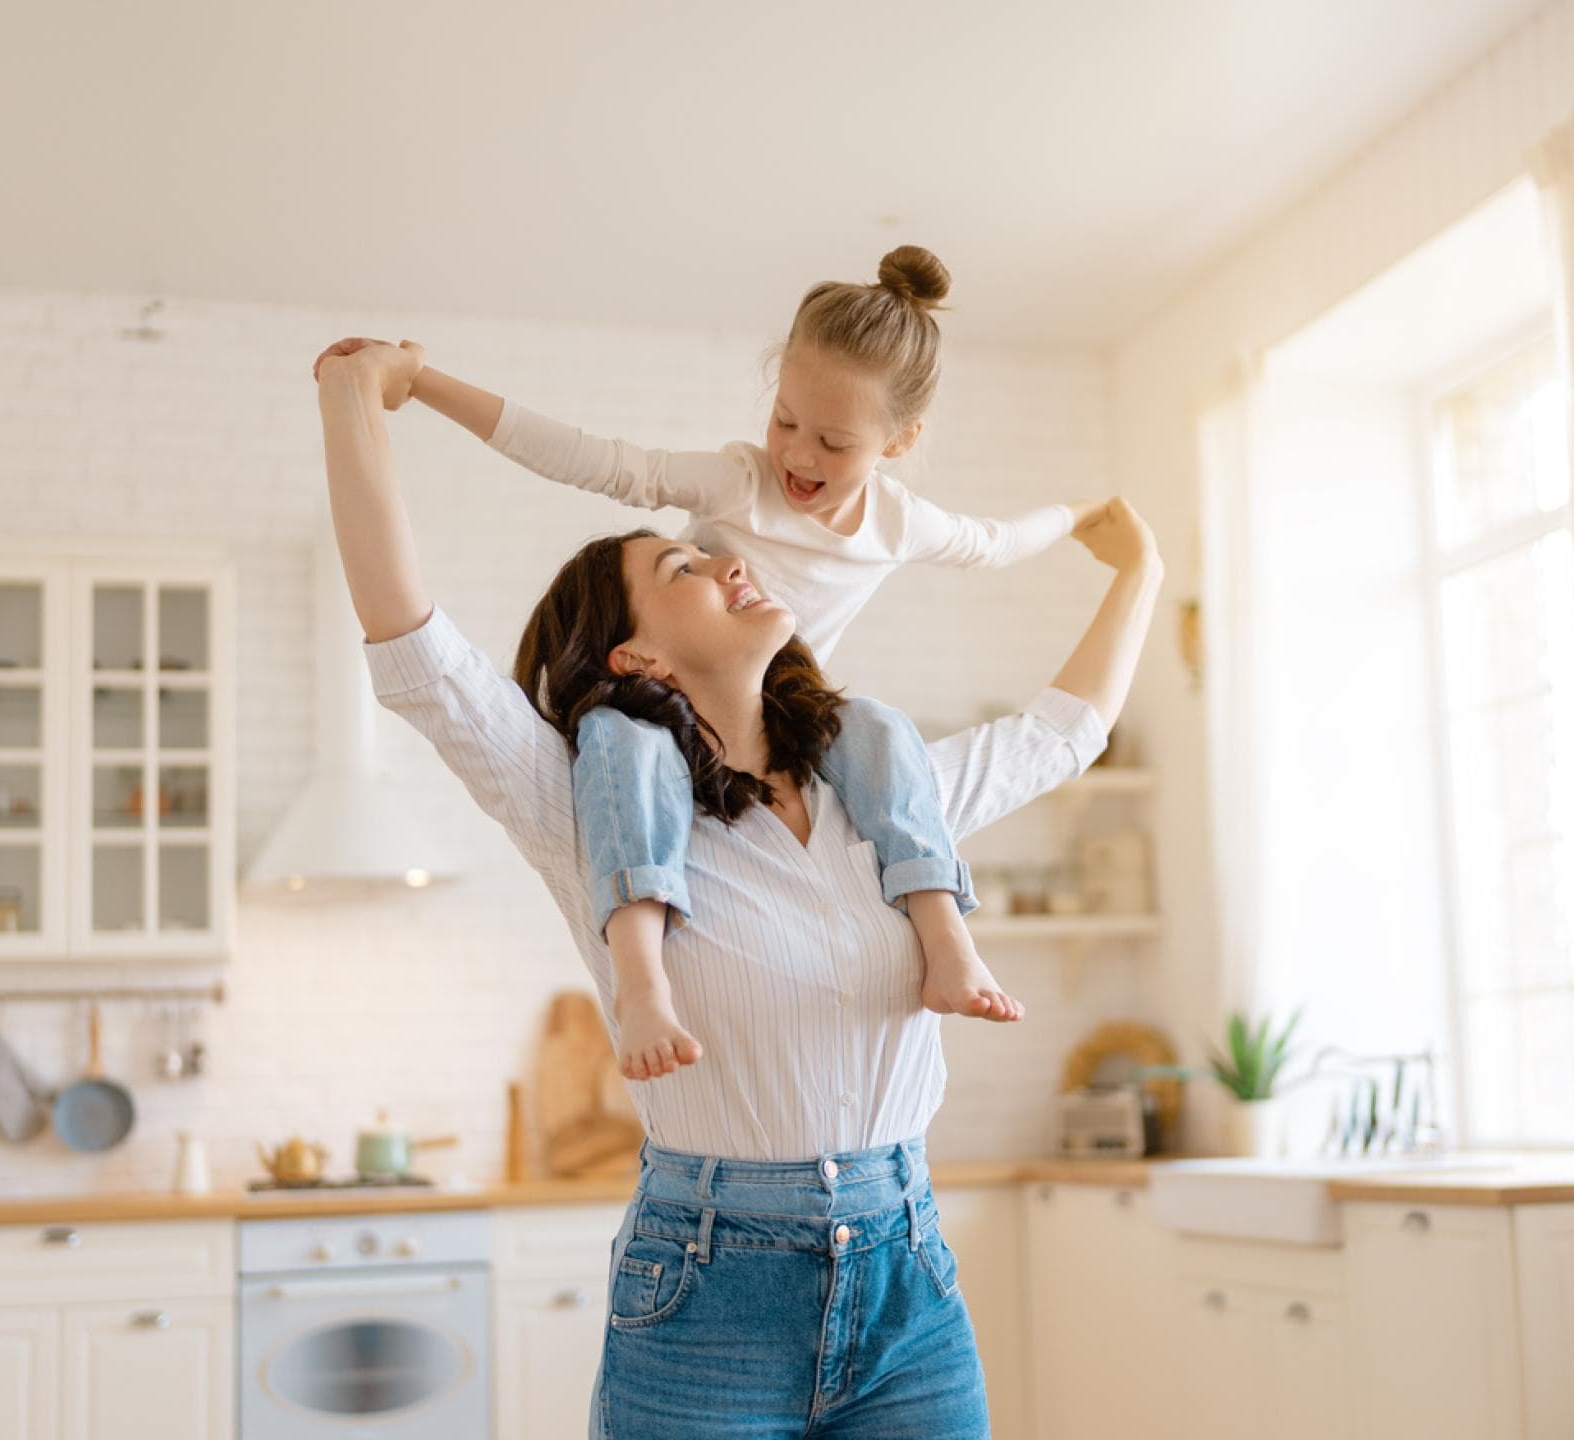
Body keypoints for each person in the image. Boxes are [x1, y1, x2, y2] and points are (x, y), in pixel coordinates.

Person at [315, 333, 1160, 1438]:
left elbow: (1060, 737)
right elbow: (416, 653)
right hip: (708, 1291)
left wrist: (1139, 570)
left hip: (907, 1278)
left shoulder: (883, 792)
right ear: (638, 661)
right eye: (683, 571)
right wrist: (355, 398)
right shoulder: (588, 809)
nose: (730, 559)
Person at [311, 245, 1105, 1084]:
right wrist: (419, 384)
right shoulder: (739, 485)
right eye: (785, 421)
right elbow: (590, 457)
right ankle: (641, 981)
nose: (797, 455)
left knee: (878, 726)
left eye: (832, 442)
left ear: (900, 442)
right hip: (676, 718)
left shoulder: (899, 529)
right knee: (625, 744)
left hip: (789, 712)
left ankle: (947, 940)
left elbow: (999, 551)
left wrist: (1086, 519)